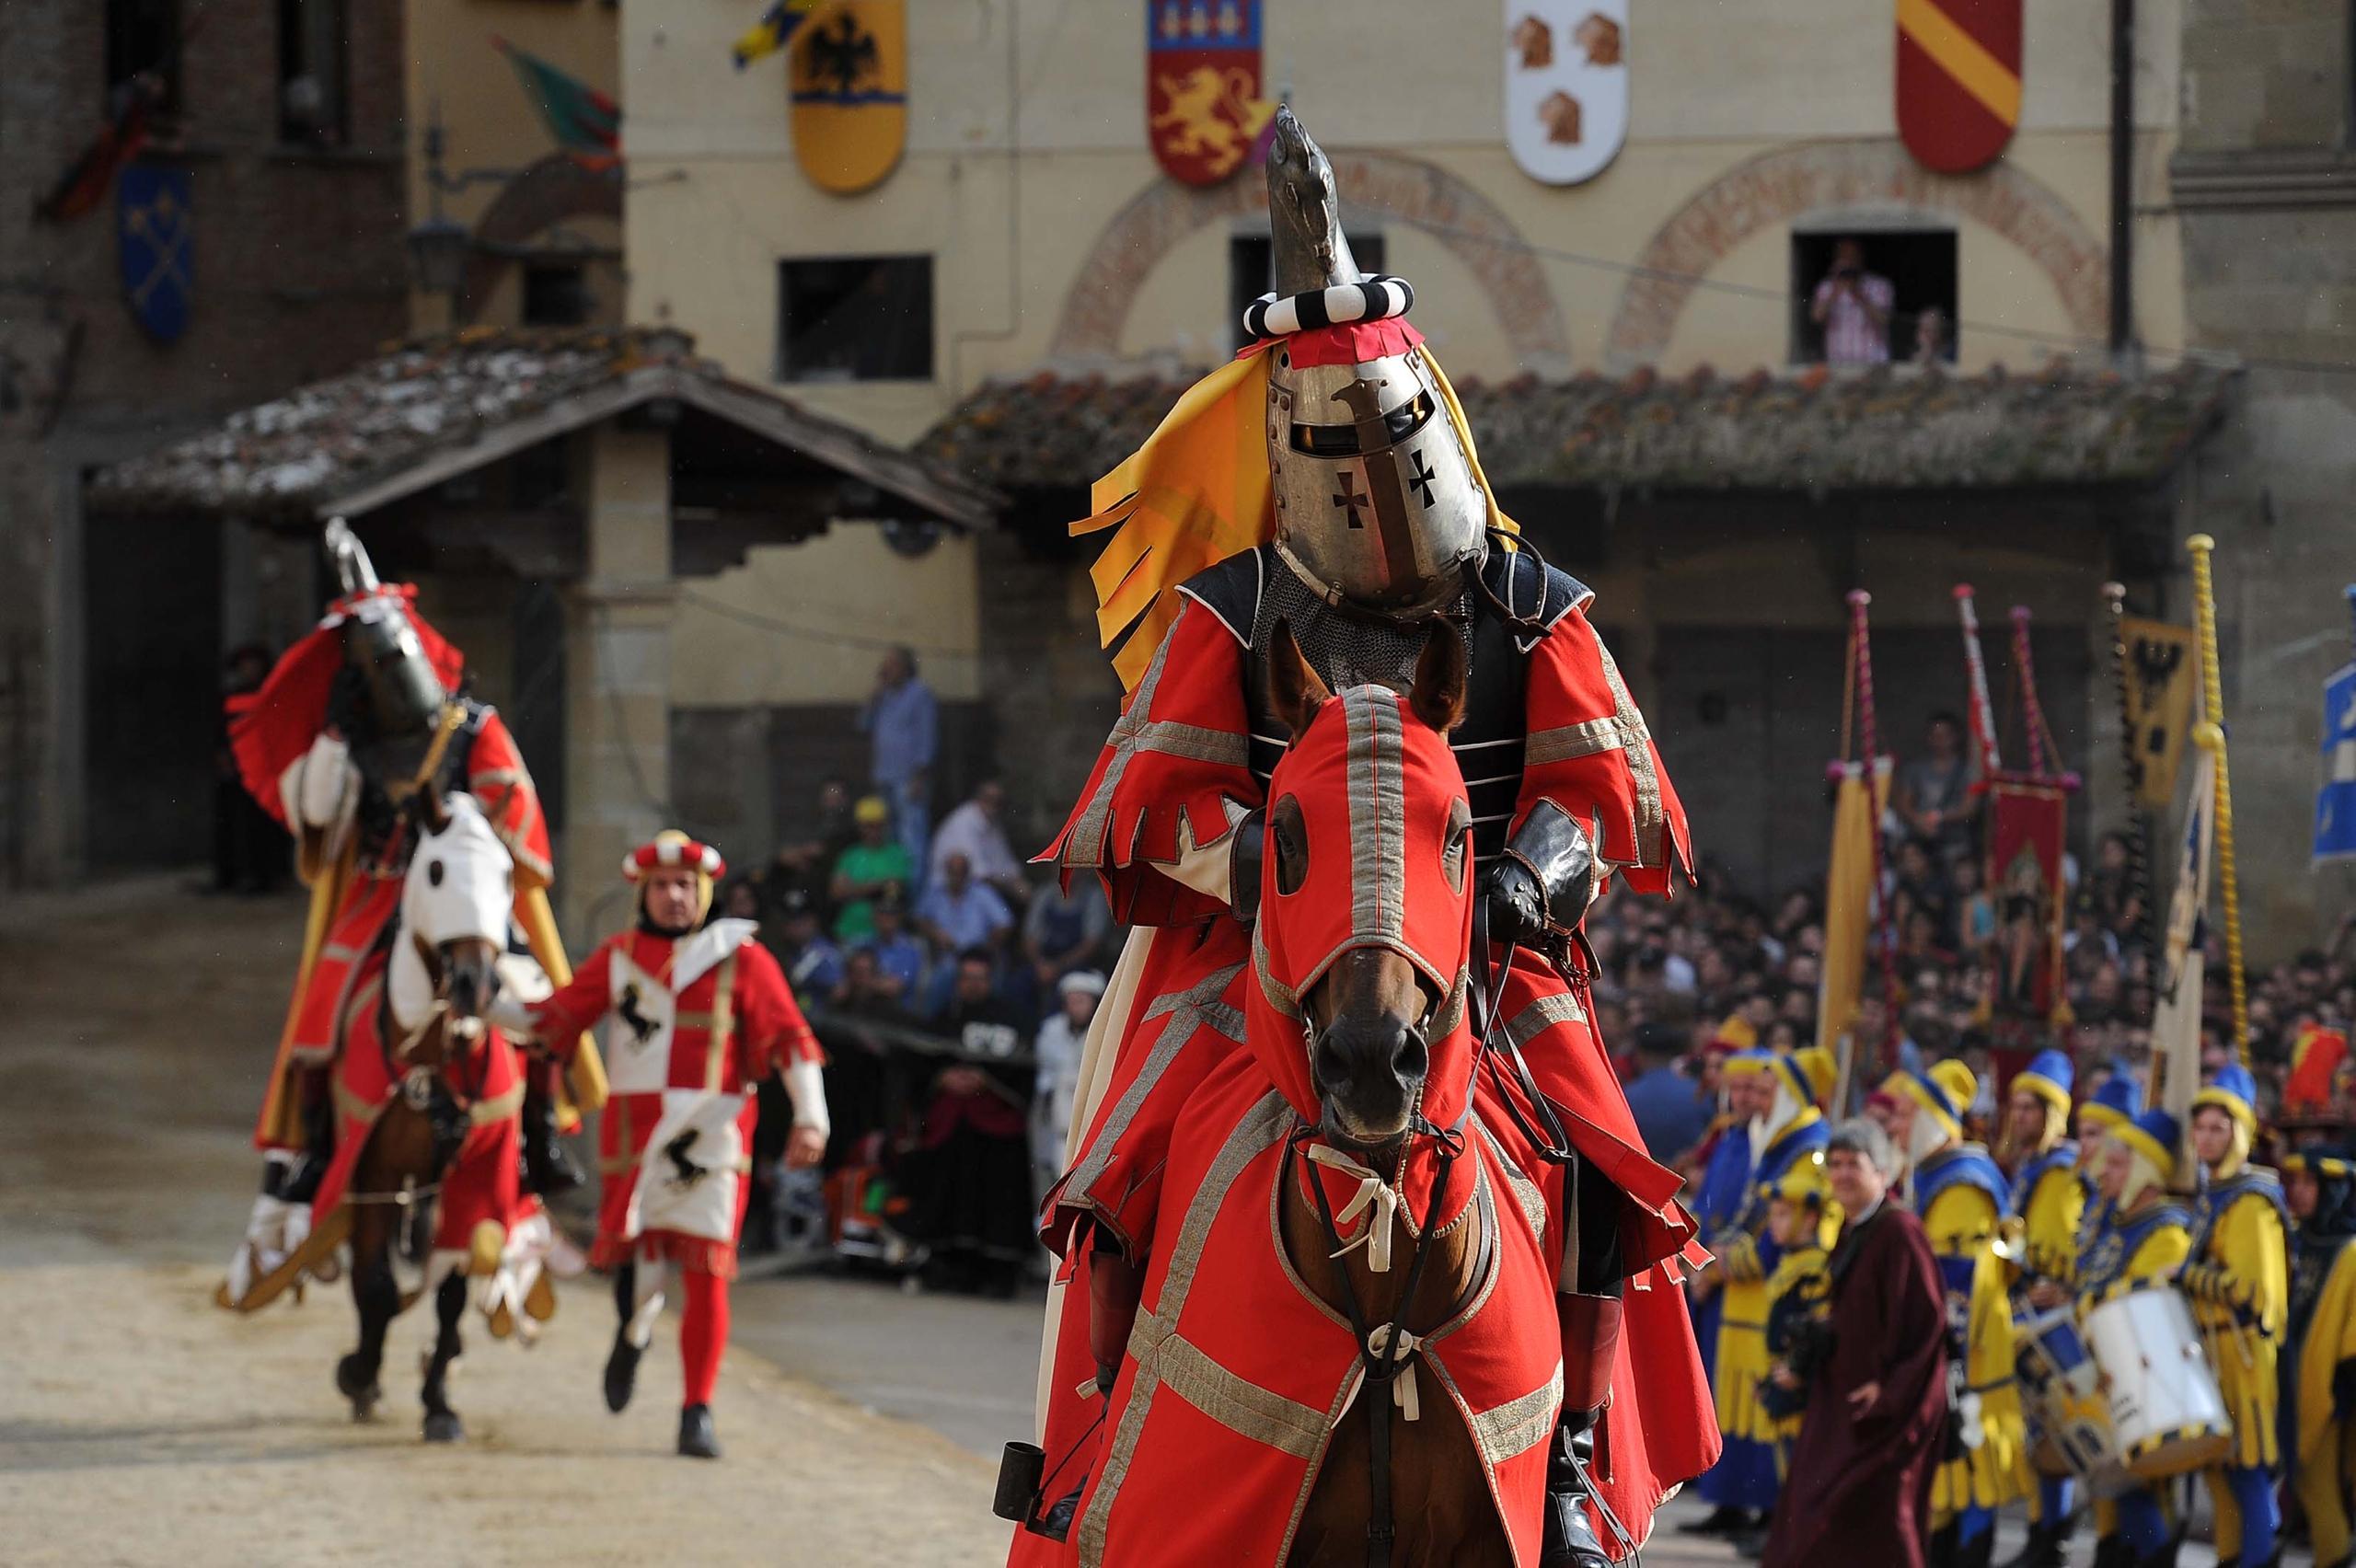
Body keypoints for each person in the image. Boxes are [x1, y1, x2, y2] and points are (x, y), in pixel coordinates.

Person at [1021, 110, 1710, 1568]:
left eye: (1388, 439)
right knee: (1127, 1167)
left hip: (1486, 953)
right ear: (1288, 444)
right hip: (1267, 967)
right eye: (1332, 446)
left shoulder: (1529, 606)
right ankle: (1101, 1442)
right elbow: (1153, 811)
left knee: (1594, 1155)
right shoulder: (1232, 610)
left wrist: (1527, 880)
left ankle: (1571, 1459)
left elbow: (1603, 795)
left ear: (1432, 424)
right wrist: (1285, 859)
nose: (1368, 483)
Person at [219, 527, 580, 1309]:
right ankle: (309, 1155)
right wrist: (334, 738)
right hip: (385, 892)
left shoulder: (473, 728)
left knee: (531, 1001)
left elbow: (518, 812)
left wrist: (469, 826)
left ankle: (539, 1142)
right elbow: (318, 823)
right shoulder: (353, 743)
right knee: (326, 1001)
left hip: (470, 893)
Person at [507, 832, 827, 1459]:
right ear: (643, 893)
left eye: (685, 885)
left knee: (708, 1275)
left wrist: (811, 1117)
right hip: (635, 1144)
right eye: (662, 886)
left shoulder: (743, 956)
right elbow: (553, 1018)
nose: (675, 896)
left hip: (714, 1139)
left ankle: (696, 1410)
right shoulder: (618, 956)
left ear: (703, 892)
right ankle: (633, 1335)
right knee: (639, 1275)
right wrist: (473, 1002)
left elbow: (790, 1038)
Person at [1761, 1118, 1950, 1568]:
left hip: (1884, 1411)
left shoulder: (1900, 1232)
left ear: (1881, 1173)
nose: (1843, 1174)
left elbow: (1926, 1327)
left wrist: (1889, 1391)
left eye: (1855, 1164)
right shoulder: (1854, 1228)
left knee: (1878, 1519)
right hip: (1843, 1397)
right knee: (1815, 1512)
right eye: (1837, 1164)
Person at [1882, 1060, 2028, 1568]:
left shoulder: (1961, 1183)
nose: (1895, 1128)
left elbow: (1954, 1287)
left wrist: (1937, 1356)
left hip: (1968, 1354)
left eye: (1903, 1116)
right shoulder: (1928, 1174)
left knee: (1969, 1469)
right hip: (1944, 1351)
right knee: (1947, 1477)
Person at [1700, 1052, 1834, 1551]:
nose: (1758, 1099)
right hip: (1739, 1296)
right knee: (1737, 1401)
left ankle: (1772, 1514)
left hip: (1774, 1293)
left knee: (1768, 1404)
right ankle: (1733, 1501)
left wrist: (1722, 1268)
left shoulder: (1806, 1148)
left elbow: (1784, 1231)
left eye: (1768, 1090)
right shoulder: (1758, 1139)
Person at [2181, 1064, 2290, 1568]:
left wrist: (2188, 1277)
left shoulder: (2250, 1200)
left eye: (2217, 1128)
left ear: (2239, 1133)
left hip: (2245, 1359)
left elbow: (2253, 1291)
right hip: (2214, 1355)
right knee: (2220, 1475)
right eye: (2200, 1127)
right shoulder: (2211, 1197)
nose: (2205, 1137)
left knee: (2247, 1474)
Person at [2074, 1109, 2194, 1568]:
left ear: (2144, 1169)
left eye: (2119, 1164)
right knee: (2120, 1494)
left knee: (2141, 1494)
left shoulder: (2165, 1231)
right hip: (2106, 1375)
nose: (2105, 1172)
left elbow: (2144, 1305)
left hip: (2141, 1383)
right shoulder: (2119, 1227)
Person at [893, 949, 1034, 1297]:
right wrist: (943, 1078)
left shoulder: (1012, 1018)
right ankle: (949, 1265)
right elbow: (921, 1061)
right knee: (948, 1191)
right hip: (953, 1129)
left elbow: (1023, 1068)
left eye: (979, 978)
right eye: (967, 978)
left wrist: (984, 1080)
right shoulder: (943, 1018)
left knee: (995, 1198)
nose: (973, 985)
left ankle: (996, 1272)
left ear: (991, 979)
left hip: (996, 1129)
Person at [2003, 1051, 2085, 1568]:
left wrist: (2056, 1281)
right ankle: (2041, 1532)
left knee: (2055, 1430)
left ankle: (2051, 1536)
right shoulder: (2028, 1166)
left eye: (2031, 1108)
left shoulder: (2059, 1171)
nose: (2020, 1116)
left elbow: (2061, 1247)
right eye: (2016, 1106)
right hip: (2027, 1310)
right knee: (2039, 1431)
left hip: (2050, 1318)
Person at [1684, 1051, 1772, 1538]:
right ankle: (1725, 1500)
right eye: (1739, 1089)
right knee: (1719, 1392)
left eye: (1755, 1091)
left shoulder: (1764, 1143)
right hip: (1712, 1280)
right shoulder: (1730, 1137)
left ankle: (1750, 1500)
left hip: (1739, 1281)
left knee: (1744, 1397)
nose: (1744, 1099)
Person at [2280, 1146, 2356, 1568]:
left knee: (2320, 1490)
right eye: (2298, 1183)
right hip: (2288, 1383)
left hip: (2328, 1393)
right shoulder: (2295, 1238)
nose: (2301, 1192)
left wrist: (2339, 1398)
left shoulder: (2349, 1250)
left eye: (2312, 1184)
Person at [1756, 1155, 1836, 1465]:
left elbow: (1818, 1326)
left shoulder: (1815, 1269)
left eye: (1784, 1214)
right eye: (1773, 1214)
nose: (1774, 1222)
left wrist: (1797, 1368)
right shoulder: (1788, 1261)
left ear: (1811, 1219)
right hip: (1781, 1380)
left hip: (1802, 1388)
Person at [214, 643, 284, 894]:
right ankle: (228, 876)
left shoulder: (271, 693)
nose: (249, 669)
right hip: (235, 768)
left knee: (261, 825)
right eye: (245, 664)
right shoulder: (231, 695)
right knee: (229, 824)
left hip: (263, 769)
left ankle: (265, 877)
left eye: (253, 663)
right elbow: (222, 731)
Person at [860, 646, 936, 875]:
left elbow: (926, 737)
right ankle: (893, 893)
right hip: (884, 776)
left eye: (892, 664)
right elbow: (863, 724)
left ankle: (913, 896)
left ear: (906, 668)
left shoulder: (920, 694)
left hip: (909, 778)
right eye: (885, 665)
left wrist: (919, 776)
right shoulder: (883, 696)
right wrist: (874, 695)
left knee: (911, 839)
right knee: (889, 837)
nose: (886, 669)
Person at [1031, 970, 1103, 1205]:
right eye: (1071, 1001)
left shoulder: (1104, 1032)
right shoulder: (1052, 1030)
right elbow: (1047, 1073)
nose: (1076, 1007)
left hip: (1092, 1119)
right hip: (1057, 1121)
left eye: (1081, 1001)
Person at [1896, 712, 1978, 869]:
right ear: (1929, 738)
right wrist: (1918, 820)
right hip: (1921, 844)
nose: (1941, 741)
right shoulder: (1915, 769)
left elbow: (1969, 808)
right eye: (1936, 735)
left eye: (1945, 735)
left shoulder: (1967, 771)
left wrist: (1939, 817)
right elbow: (1904, 804)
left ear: (1956, 737)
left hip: (1956, 846)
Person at [830, 794, 913, 944]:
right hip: (852, 930)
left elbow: (895, 889)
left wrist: (854, 889)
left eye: (878, 825)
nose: (874, 830)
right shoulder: (850, 856)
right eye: (869, 825)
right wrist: (879, 885)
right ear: (860, 826)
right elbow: (836, 892)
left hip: (885, 935)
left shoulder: (896, 854)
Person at [1623, 1021, 1710, 1164]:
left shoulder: (1628, 1095)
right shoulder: (1697, 1091)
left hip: (1645, 1176)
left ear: (1640, 1055)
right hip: (1690, 1176)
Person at [930, 777, 1026, 905]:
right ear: (978, 798)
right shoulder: (964, 822)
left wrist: (1021, 886)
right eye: (989, 799)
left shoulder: (993, 824)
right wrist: (1014, 888)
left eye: (998, 801)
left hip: (980, 890)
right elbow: (980, 874)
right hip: (948, 891)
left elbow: (1006, 864)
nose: (994, 805)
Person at [1809, 237, 1896, 366]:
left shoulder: (1880, 286)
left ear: (1860, 258)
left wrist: (1859, 294)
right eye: (1844, 256)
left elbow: (1884, 319)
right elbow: (1817, 317)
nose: (1849, 262)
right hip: (1838, 363)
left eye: (1852, 256)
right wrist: (1835, 291)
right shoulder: (1826, 288)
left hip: (1874, 363)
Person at [915, 850, 1015, 957]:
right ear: (946, 872)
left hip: (977, 956)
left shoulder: (983, 893)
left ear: (967, 873)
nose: (956, 877)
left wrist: (987, 948)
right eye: (952, 872)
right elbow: (918, 919)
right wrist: (935, 934)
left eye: (960, 872)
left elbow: (1005, 923)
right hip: (943, 956)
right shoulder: (935, 893)